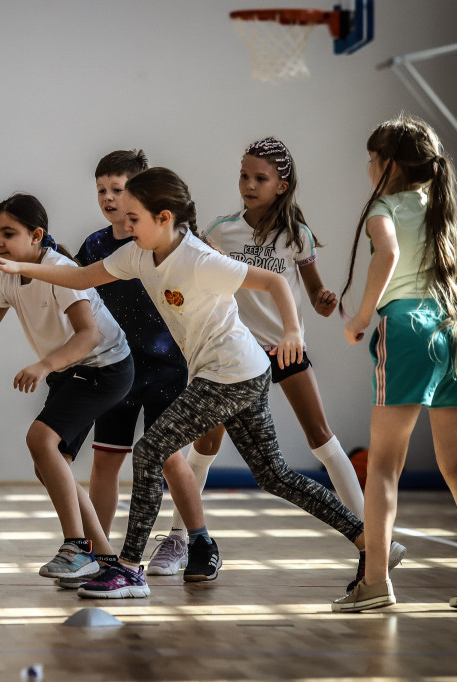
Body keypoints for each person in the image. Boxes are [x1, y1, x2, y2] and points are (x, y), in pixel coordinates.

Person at [0, 168, 370, 599]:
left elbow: (274, 281)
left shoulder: (201, 260)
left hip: (231, 373)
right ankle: (370, 541)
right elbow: (81, 277)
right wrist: (15, 264)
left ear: (163, 218)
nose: (125, 227)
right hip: (240, 372)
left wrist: (294, 332)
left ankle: (127, 569)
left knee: (149, 450)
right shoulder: (139, 255)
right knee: (274, 475)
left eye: (134, 219)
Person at [180, 137, 406, 586]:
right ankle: (183, 538)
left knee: (323, 439)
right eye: (244, 175)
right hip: (234, 357)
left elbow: (318, 298)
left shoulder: (297, 235)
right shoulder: (221, 231)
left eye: (259, 178)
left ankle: (373, 539)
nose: (248, 184)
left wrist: (324, 299)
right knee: (206, 445)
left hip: (286, 350)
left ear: (281, 185)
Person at [332, 115, 457, 612]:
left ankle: (374, 585)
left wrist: (361, 317)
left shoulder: (383, 207)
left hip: (406, 331)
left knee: (384, 466)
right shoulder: (442, 213)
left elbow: (385, 255)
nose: (368, 169)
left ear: (388, 165)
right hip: (454, 335)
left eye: (371, 160)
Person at [0, 193, 138, 588]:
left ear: (36, 235)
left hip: (105, 367)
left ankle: (76, 548)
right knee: (47, 463)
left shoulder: (60, 270)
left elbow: (88, 335)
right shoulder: (6, 277)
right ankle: (108, 559)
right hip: (71, 370)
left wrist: (43, 365)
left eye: (9, 233)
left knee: (40, 439)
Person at [76, 150, 218, 582]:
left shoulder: (170, 244)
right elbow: (78, 298)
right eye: (101, 189)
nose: (108, 197)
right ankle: (97, 552)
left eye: (117, 189)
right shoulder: (95, 247)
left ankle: (198, 542)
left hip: (168, 370)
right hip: (116, 370)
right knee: (105, 463)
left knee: (172, 460)